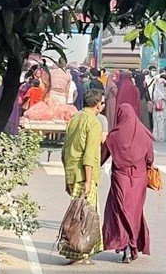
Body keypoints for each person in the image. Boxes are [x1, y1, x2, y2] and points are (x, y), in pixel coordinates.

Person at [101, 104, 153, 263]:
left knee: (120, 212)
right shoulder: (144, 134)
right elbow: (150, 159)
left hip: (120, 179)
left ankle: (125, 245)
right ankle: (133, 244)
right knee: (135, 213)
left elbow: (102, 156)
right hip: (139, 179)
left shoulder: (114, 136)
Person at [60, 89, 105, 264]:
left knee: (76, 213)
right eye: (102, 103)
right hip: (84, 175)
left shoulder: (75, 118)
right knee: (85, 216)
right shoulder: (93, 123)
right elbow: (89, 155)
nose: (102, 105)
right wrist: (88, 180)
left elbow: (64, 150)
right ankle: (80, 252)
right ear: (97, 105)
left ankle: (74, 252)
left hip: (72, 172)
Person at [151, 74, 166, 142]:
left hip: (157, 105)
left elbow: (154, 98)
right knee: (163, 120)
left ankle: (156, 136)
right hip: (163, 105)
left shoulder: (156, 87)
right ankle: (163, 136)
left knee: (156, 121)